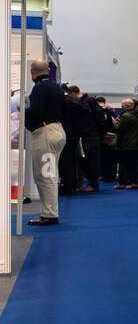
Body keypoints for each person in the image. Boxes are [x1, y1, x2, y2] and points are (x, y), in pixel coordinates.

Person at [24, 59, 67, 226]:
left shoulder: (40, 88)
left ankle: (49, 214)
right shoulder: (56, 87)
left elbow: (34, 111)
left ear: (32, 72)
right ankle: (49, 212)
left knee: (45, 175)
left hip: (45, 133)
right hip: (57, 130)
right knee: (49, 174)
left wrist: (25, 116)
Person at [115, 99, 138, 189]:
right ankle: (135, 183)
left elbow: (120, 130)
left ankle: (122, 183)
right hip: (137, 144)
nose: (121, 108)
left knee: (123, 164)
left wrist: (115, 123)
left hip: (126, 144)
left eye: (122, 106)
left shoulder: (126, 116)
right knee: (134, 165)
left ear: (127, 106)